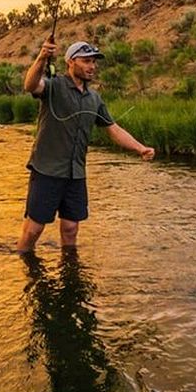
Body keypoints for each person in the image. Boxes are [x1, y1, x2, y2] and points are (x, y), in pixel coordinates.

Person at [16, 39, 155, 253]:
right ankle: (23, 262)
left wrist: (140, 148)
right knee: (34, 230)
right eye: (86, 61)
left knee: (71, 228)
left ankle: (69, 269)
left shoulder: (95, 98)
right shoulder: (55, 86)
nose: (92, 67)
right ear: (71, 62)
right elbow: (30, 85)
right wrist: (42, 57)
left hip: (76, 174)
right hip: (46, 170)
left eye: (94, 62)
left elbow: (113, 129)